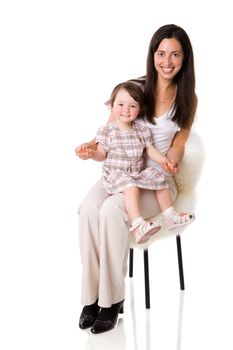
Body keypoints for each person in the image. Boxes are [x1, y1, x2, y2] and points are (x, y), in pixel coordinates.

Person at [75, 24, 197, 334]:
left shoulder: (187, 98)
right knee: (89, 208)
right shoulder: (134, 88)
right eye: (160, 53)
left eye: (174, 55)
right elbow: (109, 132)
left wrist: (172, 161)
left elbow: (180, 143)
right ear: (152, 55)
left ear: (185, 59)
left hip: (155, 179)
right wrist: (91, 148)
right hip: (119, 171)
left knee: (113, 210)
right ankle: (91, 297)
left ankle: (112, 299)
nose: (166, 61)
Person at [80, 81, 194, 245]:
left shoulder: (141, 131)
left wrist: (164, 161)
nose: (126, 110)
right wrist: (91, 154)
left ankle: (170, 216)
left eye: (132, 106)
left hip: (135, 172)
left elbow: (150, 150)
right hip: (116, 175)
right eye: (121, 104)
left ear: (139, 109)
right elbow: (101, 154)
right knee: (131, 187)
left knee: (159, 179)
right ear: (111, 106)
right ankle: (138, 224)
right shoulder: (107, 131)